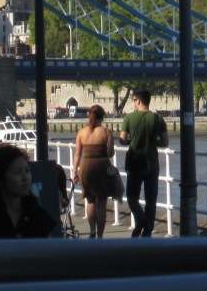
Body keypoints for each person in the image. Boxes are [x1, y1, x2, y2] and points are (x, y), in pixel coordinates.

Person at [119, 89, 168, 238]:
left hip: (135, 161)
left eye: (134, 100)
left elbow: (122, 140)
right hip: (152, 162)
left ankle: (140, 219)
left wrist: (132, 141)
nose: (133, 102)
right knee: (151, 200)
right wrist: (153, 142)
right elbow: (165, 142)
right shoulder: (158, 119)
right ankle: (147, 233)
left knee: (132, 197)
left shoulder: (129, 118)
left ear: (139, 101)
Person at [71, 104, 115, 238]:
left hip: (86, 167)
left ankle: (92, 231)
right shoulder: (106, 132)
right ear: (102, 117)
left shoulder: (81, 132)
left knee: (90, 201)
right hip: (102, 166)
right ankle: (100, 235)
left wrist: (74, 171)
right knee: (101, 204)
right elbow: (111, 153)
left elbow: (77, 154)